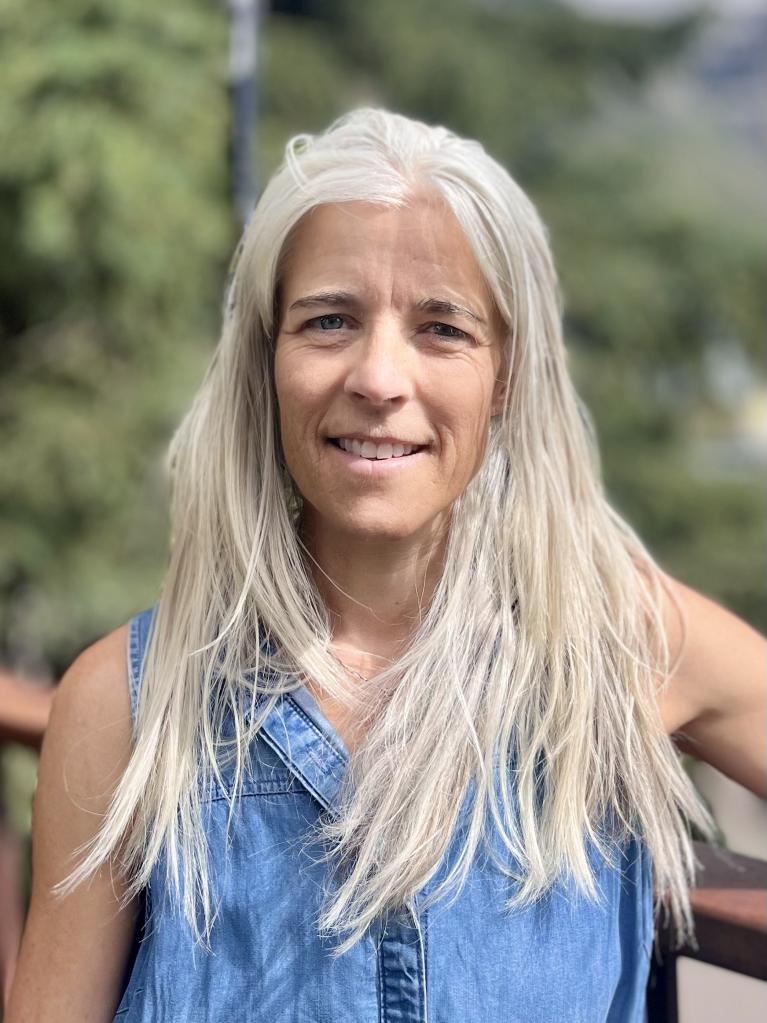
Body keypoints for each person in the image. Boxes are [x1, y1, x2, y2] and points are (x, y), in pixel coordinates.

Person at [6, 108, 766, 1023]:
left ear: (508, 376)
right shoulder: (131, 705)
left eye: (442, 328)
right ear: (265, 360)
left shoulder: (615, 642)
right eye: (329, 320)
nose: (377, 377)